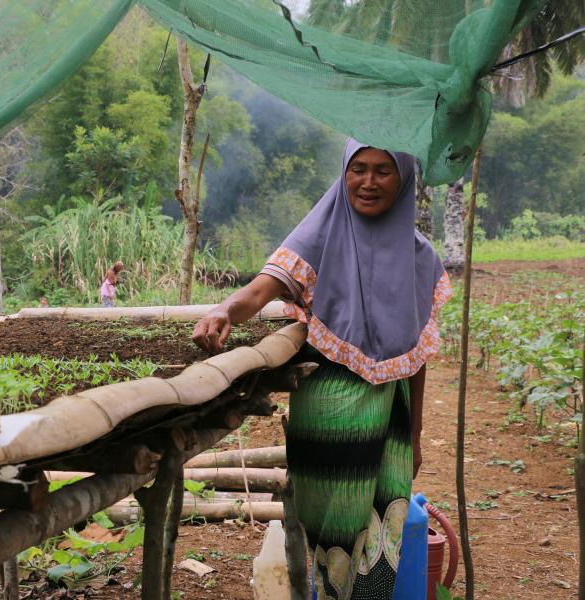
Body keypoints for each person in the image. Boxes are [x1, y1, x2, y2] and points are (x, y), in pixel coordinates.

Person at [193, 139, 452, 599]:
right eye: (358, 169)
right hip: (328, 416)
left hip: (392, 415)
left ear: (406, 180)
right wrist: (224, 312)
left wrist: (414, 436)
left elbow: (417, 356)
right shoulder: (318, 238)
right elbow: (258, 291)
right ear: (343, 174)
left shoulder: (421, 260)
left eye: (382, 171)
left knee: (386, 530)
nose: (368, 182)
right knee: (333, 542)